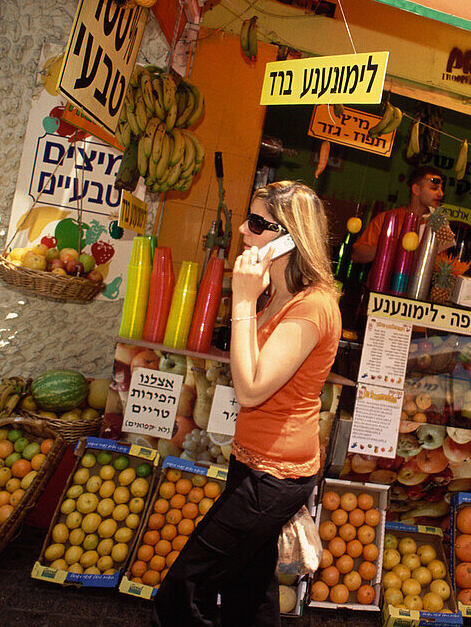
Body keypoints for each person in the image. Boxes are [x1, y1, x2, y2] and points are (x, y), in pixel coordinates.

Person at [153, 181, 342, 627]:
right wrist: (250, 298)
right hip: (253, 462)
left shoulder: (312, 306)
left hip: (275, 475)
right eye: (248, 218)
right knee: (247, 592)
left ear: (291, 237)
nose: (243, 229)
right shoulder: (277, 294)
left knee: (182, 592)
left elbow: (251, 388)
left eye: (258, 224)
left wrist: (240, 298)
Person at [351, 165, 447, 264]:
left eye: (441, 189)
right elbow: (357, 255)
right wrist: (391, 245)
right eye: (434, 188)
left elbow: (440, 265)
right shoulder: (388, 219)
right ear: (416, 190)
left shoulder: (437, 226)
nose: (441, 194)